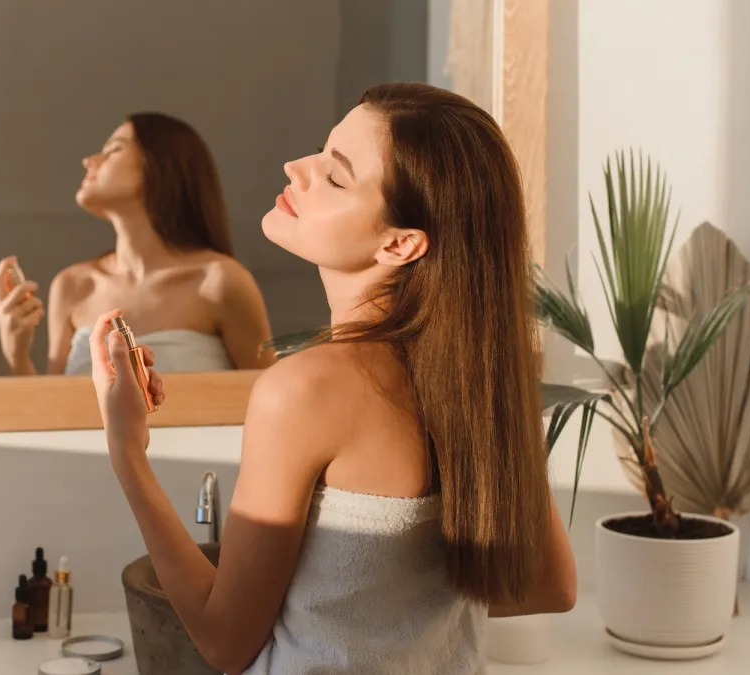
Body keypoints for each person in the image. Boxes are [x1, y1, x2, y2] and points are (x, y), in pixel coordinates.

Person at [91, 82, 577, 674]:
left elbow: (222, 643)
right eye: (321, 150)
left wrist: (127, 451)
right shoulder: (480, 379)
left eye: (337, 176)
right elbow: (552, 586)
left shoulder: (305, 389)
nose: (297, 168)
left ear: (400, 243)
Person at [0, 112, 275, 375]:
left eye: (114, 149)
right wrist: (16, 354)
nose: (89, 160)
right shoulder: (73, 286)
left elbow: (267, 399)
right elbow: (52, 414)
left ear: (160, 165)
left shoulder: (220, 282)